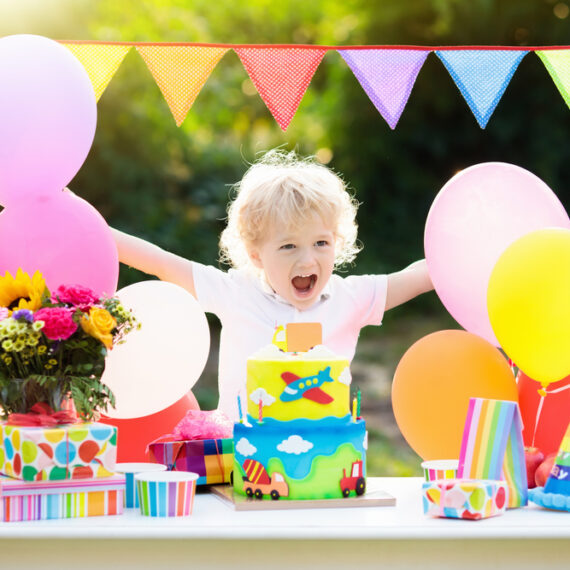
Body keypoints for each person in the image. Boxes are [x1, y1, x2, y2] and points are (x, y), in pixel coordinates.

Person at [112, 149, 433, 420]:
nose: (307, 260)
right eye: (289, 246)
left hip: (325, 462)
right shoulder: (236, 292)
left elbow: (420, 275)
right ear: (256, 255)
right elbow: (161, 262)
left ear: (337, 241)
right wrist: (88, 225)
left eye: (321, 242)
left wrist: (471, 250)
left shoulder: (351, 298)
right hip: (239, 461)